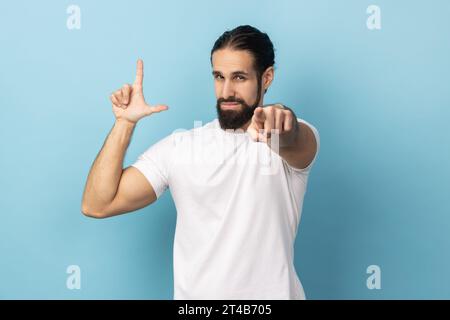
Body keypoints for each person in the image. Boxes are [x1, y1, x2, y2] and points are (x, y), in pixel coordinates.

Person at [81, 25, 320, 300]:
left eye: (239, 77)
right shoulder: (180, 147)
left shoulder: (290, 141)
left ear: (266, 78)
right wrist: (124, 123)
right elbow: (97, 204)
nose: (227, 91)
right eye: (219, 77)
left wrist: (280, 117)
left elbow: (291, 134)